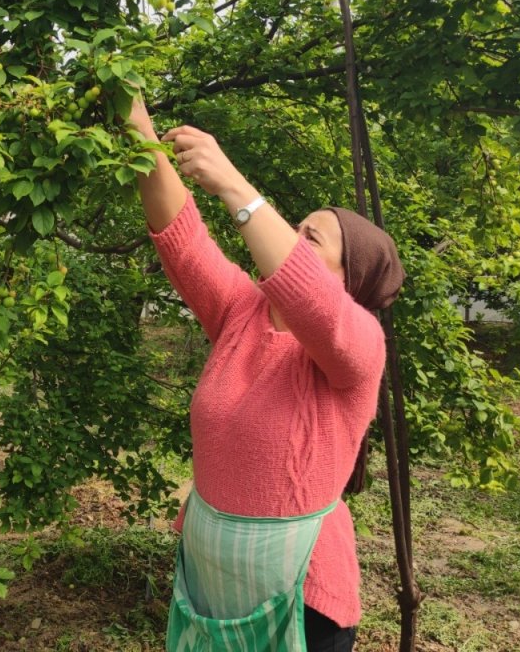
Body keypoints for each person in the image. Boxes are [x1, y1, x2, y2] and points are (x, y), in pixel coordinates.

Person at [127, 100, 404, 652]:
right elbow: (180, 235)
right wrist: (133, 115)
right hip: (208, 589)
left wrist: (233, 183)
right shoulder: (241, 313)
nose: (290, 240)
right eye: (292, 229)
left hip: (302, 602)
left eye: (311, 238)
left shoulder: (360, 346)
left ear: (348, 281)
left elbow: (309, 296)